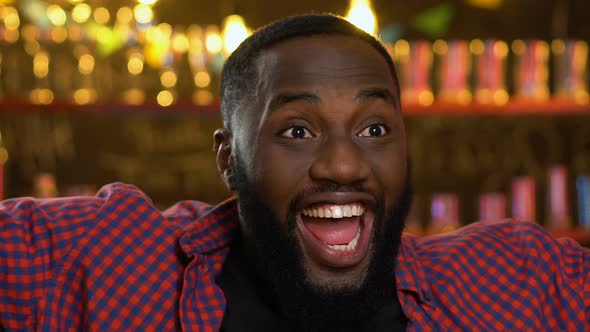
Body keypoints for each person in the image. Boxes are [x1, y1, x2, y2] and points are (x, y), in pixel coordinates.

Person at [0, 14, 588, 332]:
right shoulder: (103, 263)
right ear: (227, 157)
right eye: (297, 131)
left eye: (374, 129)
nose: (342, 164)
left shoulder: (519, 283)